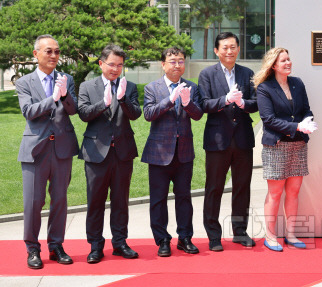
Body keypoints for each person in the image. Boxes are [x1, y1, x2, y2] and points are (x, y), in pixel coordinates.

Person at [16, 34, 78, 269]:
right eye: (48, 51)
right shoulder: (24, 82)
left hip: (62, 148)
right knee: (33, 202)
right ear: (36, 54)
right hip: (35, 150)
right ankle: (32, 249)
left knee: (60, 200)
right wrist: (52, 98)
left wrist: (65, 94)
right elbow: (29, 111)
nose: (54, 55)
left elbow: (72, 110)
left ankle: (56, 246)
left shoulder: (66, 78)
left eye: (57, 51)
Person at [77, 44, 142, 264]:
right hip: (96, 152)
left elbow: (135, 115)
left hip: (122, 152)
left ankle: (120, 243)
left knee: (121, 200)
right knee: (95, 201)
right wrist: (103, 103)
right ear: (101, 63)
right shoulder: (87, 86)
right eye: (112, 64)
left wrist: (122, 99)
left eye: (120, 65)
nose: (115, 69)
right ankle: (95, 246)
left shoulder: (129, 86)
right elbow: (84, 114)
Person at [198, 32, 258, 251]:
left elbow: (256, 102)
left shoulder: (247, 73)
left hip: (242, 138)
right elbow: (204, 104)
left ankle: (240, 232)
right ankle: (213, 235)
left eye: (233, 47)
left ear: (238, 49)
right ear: (216, 50)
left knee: (242, 186)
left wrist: (243, 104)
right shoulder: (207, 74)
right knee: (214, 187)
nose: (229, 51)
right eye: (225, 47)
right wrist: (225, 100)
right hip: (217, 139)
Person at [141, 47, 203, 257]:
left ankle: (185, 238)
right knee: (158, 199)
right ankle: (162, 240)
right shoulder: (152, 88)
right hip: (159, 153)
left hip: (184, 152)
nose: (177, 65)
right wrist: (169, 100)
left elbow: (198, 115)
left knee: (184, 197)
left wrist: (187, 102)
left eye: (181, 61)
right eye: (172, 61)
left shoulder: (192, 87)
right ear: (163, 64)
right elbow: (148, 114)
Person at [255, 47, 317, 252]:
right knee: (275, 193)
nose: (288, 63)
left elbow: (306, 108)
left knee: (294, 191)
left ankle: (290, 234)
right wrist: (296, 126)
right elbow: (268, 120)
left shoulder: (297, 83)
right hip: (276, 145)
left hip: (298, 144)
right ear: (274, 65)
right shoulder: (265, 88)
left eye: (289, 59)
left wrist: (308, 121)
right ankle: (270, 236)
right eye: (283, 61)